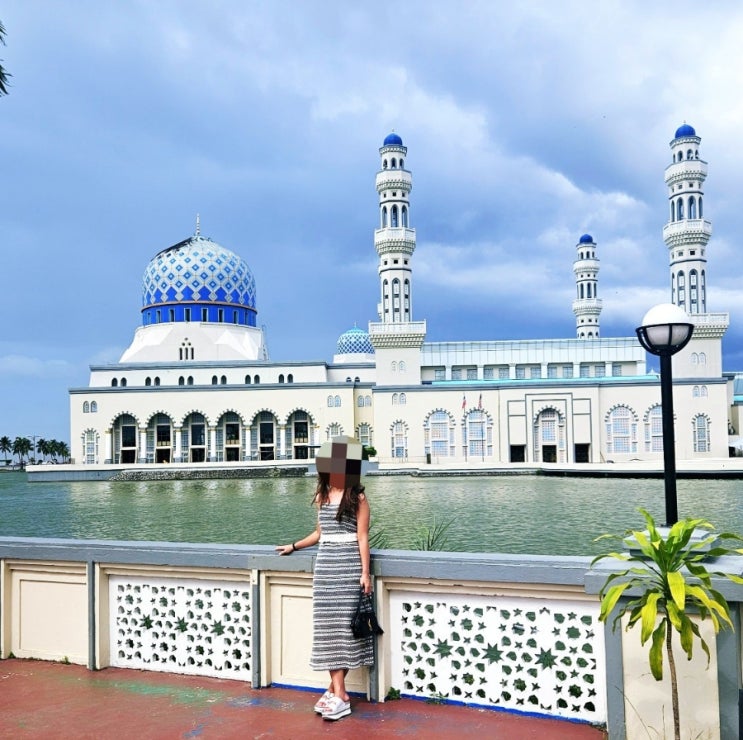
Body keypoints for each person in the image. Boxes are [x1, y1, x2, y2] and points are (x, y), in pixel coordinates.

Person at [276, 436, 374, 721]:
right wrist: (294, 546)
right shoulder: (323, 495)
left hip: (348, 567)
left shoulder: (358, 498)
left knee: (345, 630)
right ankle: (337, 691)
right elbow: (320, 534)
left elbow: (362, 537)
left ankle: (338, 693)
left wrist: (365, 573)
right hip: (326, 567)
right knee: (327, 629)